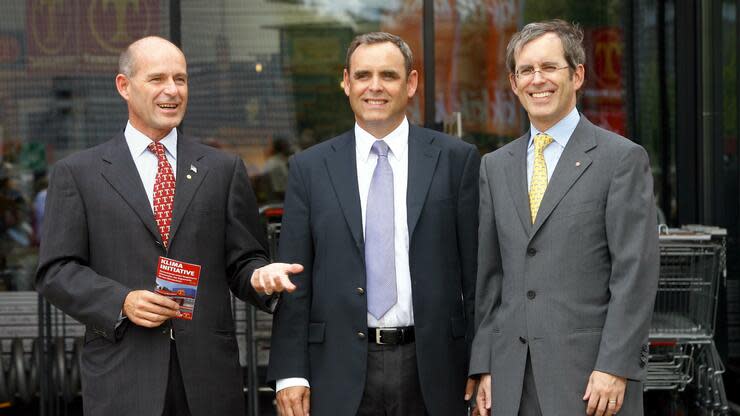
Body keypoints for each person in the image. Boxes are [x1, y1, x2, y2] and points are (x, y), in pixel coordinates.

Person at [35, 36, 275, 416]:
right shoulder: (78, 174)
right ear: (124, 87)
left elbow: (243, 262)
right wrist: (121, 301)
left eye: (180, 79)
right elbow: (56, 271)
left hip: (208, 378)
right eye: (157, 79)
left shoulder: (223, 169)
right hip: (124, 377)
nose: (172, 91)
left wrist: (262, 276)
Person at [257, 32, 480, 415]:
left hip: (437, 370)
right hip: (337, 370)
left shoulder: (456, 160)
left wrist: (484, 363)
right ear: (346, 82)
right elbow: (297, 279)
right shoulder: (310, 169)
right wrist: (291, 373)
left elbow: (478, 277)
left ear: (411, 84)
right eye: (363, 76)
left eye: (388, 76)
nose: (374, 87)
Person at [470, 20, 659, 416]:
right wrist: (485, 364)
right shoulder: (494, 166)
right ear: (514, 83)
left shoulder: (620, 159)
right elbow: (491, 279)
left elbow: (634, 273)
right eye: (526, 70)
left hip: (592, 383)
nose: (537, 79)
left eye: (549, 67)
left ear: (577, 75)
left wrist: (615, 365)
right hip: (510, 381)